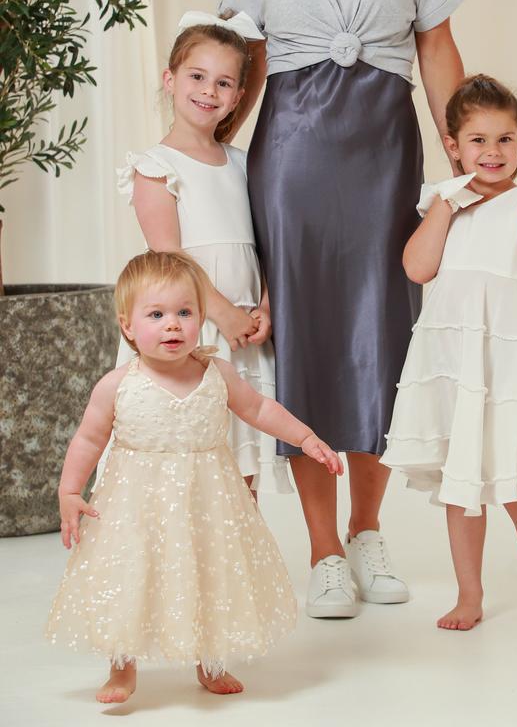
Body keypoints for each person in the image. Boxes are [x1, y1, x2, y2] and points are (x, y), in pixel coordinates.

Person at [218, 0, 473, 617]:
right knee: (310, 342)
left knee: (384, 338)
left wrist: (461, 149)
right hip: (291, 150)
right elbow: (245, 55)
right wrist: (208, 143)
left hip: (383, 149)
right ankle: (323, 549)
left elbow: (436, 47)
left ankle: (368, 531)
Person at [46, 250, 343, 704]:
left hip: (208, 500)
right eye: (157, 314)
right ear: (128, 326)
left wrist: (305, 438)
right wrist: (69, 490)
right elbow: (88, 439)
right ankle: (122, 667)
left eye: (185, 313)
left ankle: (211, 660)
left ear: (201, 319)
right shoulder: (118, 384)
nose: (173, 325)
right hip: (136, 506)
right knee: (134, 576)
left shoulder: (216, 373)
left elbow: (259, 408)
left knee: (208, 573)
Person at [380, 75, 517, 631]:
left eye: (504, 139)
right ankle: (469, 595)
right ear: (453, 146)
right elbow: (417, 269)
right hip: (455, 370)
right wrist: (447, 207)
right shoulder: (443, 205)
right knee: (461, 488)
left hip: (507, 372)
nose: (492, 152)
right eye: (477, 140)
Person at [115, 12, 291, 493]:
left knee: (241, 456)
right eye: (197, 77)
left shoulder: (242, 164)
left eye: (223, 83)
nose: (208, 92)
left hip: (245, 329)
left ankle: (238, 562)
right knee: (187, 458)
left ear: (238, 97)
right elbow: (170, 258)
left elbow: (269, 241)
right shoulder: (155, 168)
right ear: (171, 80)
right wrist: (223, 315)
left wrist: (263, 309)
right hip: (192, 326)